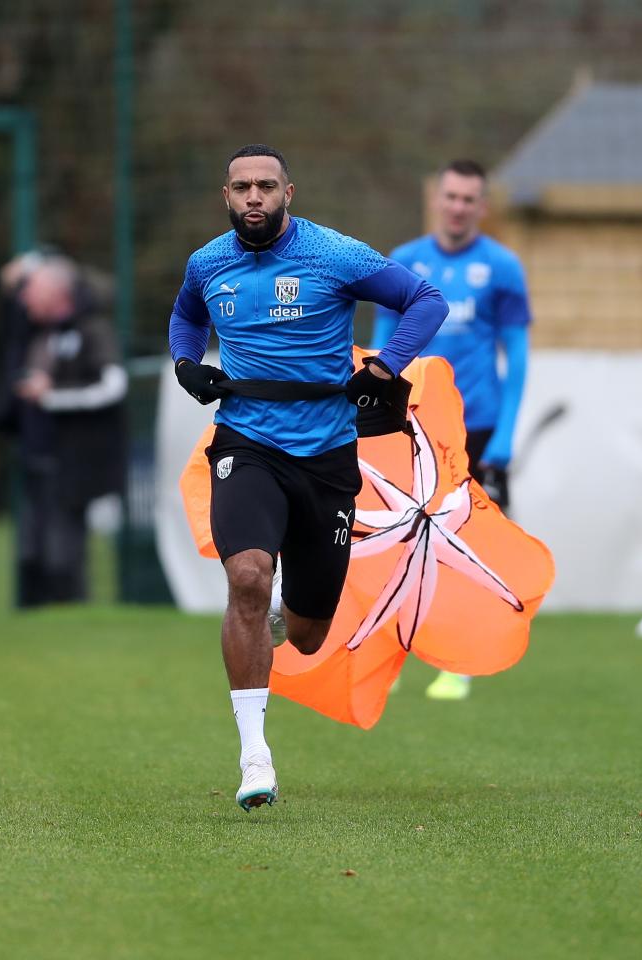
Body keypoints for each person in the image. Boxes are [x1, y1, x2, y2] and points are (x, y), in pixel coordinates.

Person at [168, 144, 445, 811]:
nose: (254, 197)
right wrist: (186, 362)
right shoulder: (207, 264)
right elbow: (185, 317)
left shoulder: (334, 255)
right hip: (245, 442)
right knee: (246, 575)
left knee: (311, 631)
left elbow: (426, 303)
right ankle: (253, 753)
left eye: (266, 185)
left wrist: (385, 365)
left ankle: (274, 623)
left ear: (289, 191)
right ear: (226, 196)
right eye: (241, 188)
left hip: (325, 454)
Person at [371, 158, 533, 701]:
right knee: (394, 541)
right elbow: (381, 349)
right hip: (413, 425)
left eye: (470, 199)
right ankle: (385, 656)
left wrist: (506, 435)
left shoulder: (503, 268)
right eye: (452, 196)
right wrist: (377, 416)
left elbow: (518, 357)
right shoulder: (404, 263)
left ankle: (458, 663)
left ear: (482, 207)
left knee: (465, 547)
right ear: (436, 200)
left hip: (478, 427)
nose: (459, 207)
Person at [0, 255, 126, 606]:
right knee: (31, 552)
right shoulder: (38, 332)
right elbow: (9, 312)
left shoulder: (92, 330)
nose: (24, 300)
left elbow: (113, 386)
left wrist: (51, 397)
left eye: (31, 292)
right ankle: (34, 624)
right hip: (36, 457)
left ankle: (70, 615)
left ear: (57, 294)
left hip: (73, 463)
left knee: (63, 555)